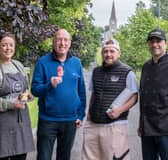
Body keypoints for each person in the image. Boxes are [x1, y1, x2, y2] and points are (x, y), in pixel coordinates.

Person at [31, 28, 86, 160]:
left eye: (65, 40)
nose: (62, 43)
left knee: (64, 157)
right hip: (48, 119)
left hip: (70, 120)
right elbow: (35, 89)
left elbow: (81, 91)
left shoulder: (76, 63)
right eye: (59, 39)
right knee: (44, 157)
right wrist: (50, 85)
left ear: (70, 43)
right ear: (53, 42)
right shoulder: (43, 62)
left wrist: (80, 115)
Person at [82, 39, 138, 160]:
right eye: (105, 51)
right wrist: (88, 119)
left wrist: (120, 110)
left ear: (119, 53)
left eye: (112, 51)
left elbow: (134, 96)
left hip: (115, 126)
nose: (108, 54)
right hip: (93, 125)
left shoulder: (127, 72)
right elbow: (94, 95)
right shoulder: (96, 72)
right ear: (102, 53)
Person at [0, 32, 35, 160]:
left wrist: (27, 95)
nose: (8, 48)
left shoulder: (18, 65)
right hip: (3, 125)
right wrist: (11, 104)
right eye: (4, 45)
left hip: (21, 124)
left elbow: (25, 89)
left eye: (11, 45)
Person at [139, 28, 168, 160]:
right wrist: (141, 124)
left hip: (165, 130)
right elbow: (144, 98)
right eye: (151, 41)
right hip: (147, 129)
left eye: (158, 41)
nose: (154, 44)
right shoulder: (146, 67)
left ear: (165, 43)